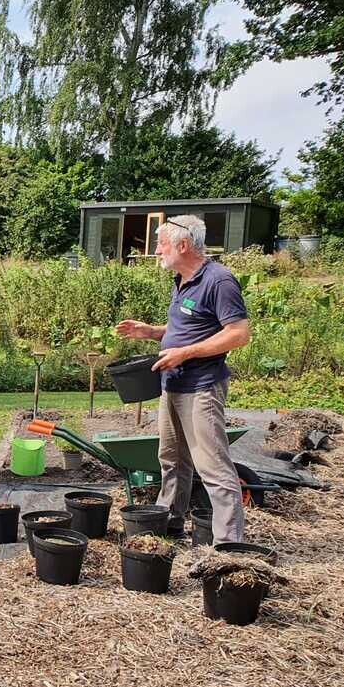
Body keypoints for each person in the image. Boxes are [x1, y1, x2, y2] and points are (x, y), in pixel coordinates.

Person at [116, 215, 250, 543]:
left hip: (201, 387)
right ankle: (170, 524)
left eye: (161, 244)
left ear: (183, 245)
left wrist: (185, 353)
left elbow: (238, 334)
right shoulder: (181, 279)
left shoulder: (219, 281)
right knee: (172, 460)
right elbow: (186, 329)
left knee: (213, 466)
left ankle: (228, 545)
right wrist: (152, 332)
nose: (157, 251)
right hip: (172, 385)